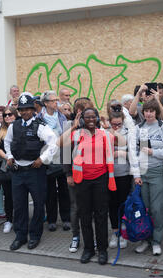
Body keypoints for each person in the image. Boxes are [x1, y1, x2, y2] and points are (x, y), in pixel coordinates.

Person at [59, 107, 117, 265]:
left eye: (94, 117)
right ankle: (89, 249)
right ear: (83, 119)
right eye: (88, 117)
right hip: (82, 180)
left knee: (100, 215)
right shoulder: (77, 134)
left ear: (97, 118)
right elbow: (60, 143)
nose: (91, 120)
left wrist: (107, 126)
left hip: (100, 179)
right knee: (84, 215)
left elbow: (118, 139)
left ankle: (102, 250)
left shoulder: (104, 134)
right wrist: (73, 126)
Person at [5, 94, 58, 251]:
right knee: (19, 205)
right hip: (18, 172)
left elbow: (53, 143)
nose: (25, 112)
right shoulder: (13, 126)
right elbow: (7, 143)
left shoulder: (40, 126)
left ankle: (35, 235)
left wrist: (43, 158)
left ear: (33, 109)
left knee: (38, 204)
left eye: (28, 109)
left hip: (35, 171)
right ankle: (20, 236)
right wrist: (9, 156)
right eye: (22, 110)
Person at [134, 99, 163, 256]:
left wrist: (154, 153)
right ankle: (146, 239)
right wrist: (136, 174)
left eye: (152, 111)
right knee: (145, 209)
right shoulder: (138, 128)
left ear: (156, 112)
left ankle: (156, 241)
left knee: (157, 209)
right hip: (142, 173)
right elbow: (134, 153)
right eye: (146, 111)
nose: (149, 113)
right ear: (143, 112)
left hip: (158, 172)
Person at [64, 97, 94, 253]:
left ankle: (91, 238)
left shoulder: (95, 125)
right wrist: (68, 174)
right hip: (75, 174)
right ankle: (75, 236)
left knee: (91, 208)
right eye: (88, 110)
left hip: (93, 175)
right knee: (76, 207)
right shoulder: (70, 127)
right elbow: (65, 152)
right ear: (79, 111)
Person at [106, 111, 140, 249]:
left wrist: (122, 153)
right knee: (112, 204)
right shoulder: (105, 131)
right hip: (108, 175)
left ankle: (124, 231)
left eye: (118, 124)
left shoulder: (129, 132)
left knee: (123, 203)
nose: (115, 126)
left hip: (124, 174)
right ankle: (115, 232)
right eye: (113, 124)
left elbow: (136, 153)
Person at [39, 91, 71, 232]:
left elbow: (68, 137)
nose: (56, 103)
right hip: (47, 159)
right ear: (45, 103)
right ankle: (51, 219)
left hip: (62, 158)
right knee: (50, 192)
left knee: (64, 190)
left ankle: (66, 219)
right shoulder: (40, 118)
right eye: (53, 100)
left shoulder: (61, 117)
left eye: (56, 100)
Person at [0, 106, 18, 233]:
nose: (7, 117)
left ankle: (20, 219)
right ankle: (9, 220)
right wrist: (8, 157)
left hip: (20, 167)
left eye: (10, 114)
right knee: (8, 196)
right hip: (6, 167)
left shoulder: (20, 128)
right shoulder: (0, 131)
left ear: (15, 115)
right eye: (5, 115)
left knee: (20, 196)